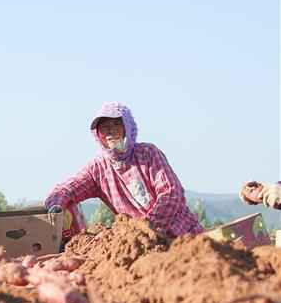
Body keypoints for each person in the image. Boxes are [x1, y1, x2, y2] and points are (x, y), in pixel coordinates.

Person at [44, 102, 201, 240]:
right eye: (105, 128)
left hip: (181, 235)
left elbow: (171, 194)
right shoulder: (98, 168)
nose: (110, 132)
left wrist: (147, 226)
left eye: (116, 125)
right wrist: (56, 204)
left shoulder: (148, 153)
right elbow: (67, 188)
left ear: (128, 128)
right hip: (141, 242)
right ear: (98, 135)